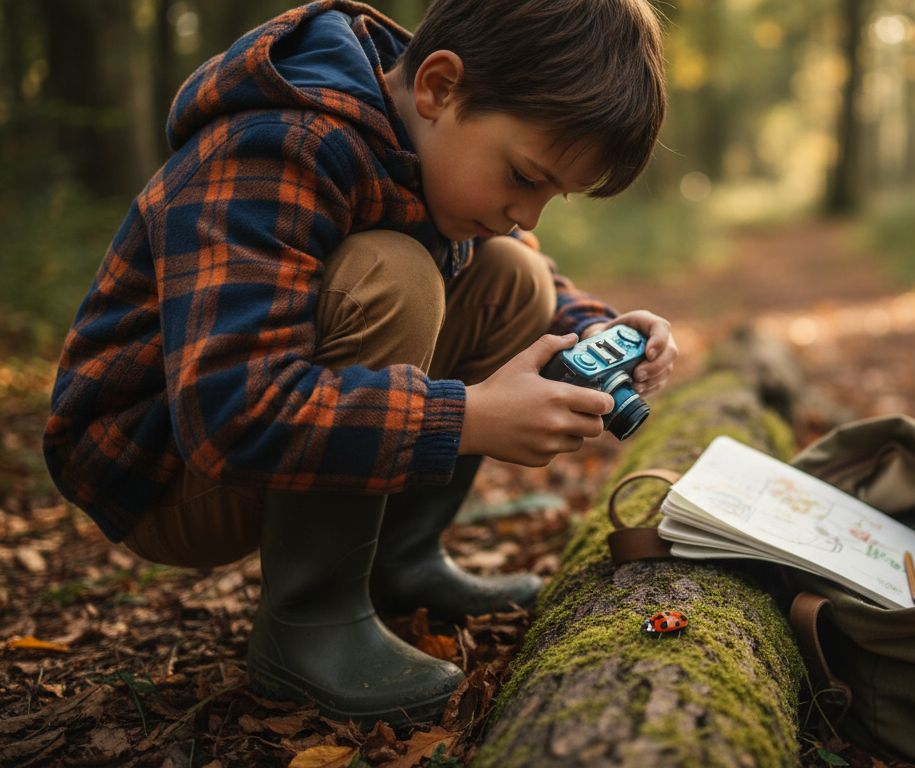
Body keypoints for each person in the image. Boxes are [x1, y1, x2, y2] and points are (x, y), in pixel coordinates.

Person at [43, 0, 674, 726]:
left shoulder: (420, 142)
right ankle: (311, 623)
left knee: (514, 278)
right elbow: (231, 411)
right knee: (395, 273)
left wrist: (606, 333)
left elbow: (540, 280)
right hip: (162, 465)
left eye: (551, 195)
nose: (529, 214)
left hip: (241, 436)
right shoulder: (274, 143)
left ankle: (396, 564)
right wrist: (465, 417)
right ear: (439, 87)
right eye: (525, 178)